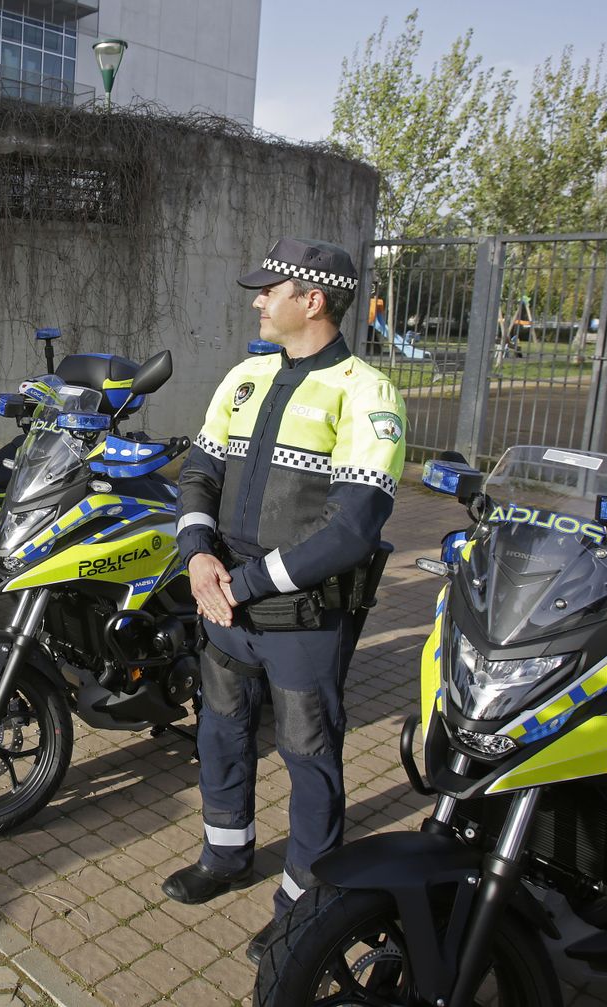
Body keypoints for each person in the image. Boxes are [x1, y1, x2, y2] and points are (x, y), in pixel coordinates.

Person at [163, 237, 406, 962]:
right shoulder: (244, 375)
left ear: (314, 299)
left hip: (300, 617)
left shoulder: (367, 391)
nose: (257, 298)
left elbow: (354, 528)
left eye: (271, 289)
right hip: (222, 607)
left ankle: (306, 905)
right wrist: (198, 555)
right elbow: (199, 471)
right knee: (220, 732)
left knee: (308, 755)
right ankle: (225, 853)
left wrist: (243, 583)